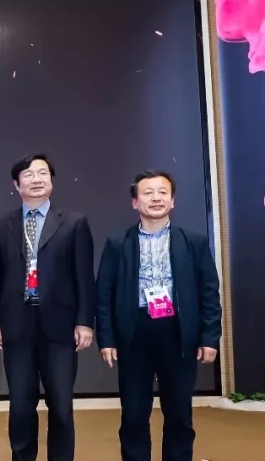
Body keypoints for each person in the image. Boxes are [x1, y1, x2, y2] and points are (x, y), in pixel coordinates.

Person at [95, 170, 221, 461]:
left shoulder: (194, 242)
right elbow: (103, 293)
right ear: (135, 202)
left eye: (163, 192)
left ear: (172, 201)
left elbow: (208, 292)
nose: (156, 198)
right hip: (133, 331)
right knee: (134, 413)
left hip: (178, 332)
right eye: (148, 192)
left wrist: (209, 337)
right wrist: (107, 338)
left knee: (179, 413)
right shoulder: (118, 243)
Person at [0, 154, 96, 461]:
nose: (36, 179)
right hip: (17, 325)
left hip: (60, 326)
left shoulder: (74, 223)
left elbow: (84, 276)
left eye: (43, 173)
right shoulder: (1, 226)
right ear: (16, 184)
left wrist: (84, 321)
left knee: (60, 406)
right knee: (21, 406)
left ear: (51, 180)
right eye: (29, 174)